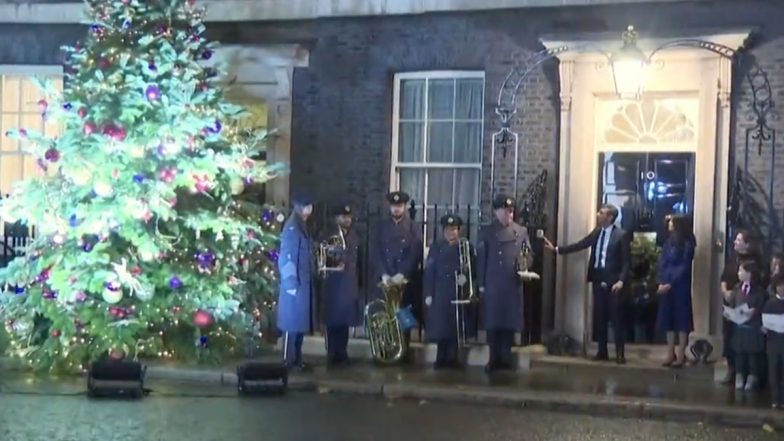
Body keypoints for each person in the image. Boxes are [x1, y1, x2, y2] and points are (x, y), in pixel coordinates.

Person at [543, 204, 631, 364]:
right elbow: (581, 244)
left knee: (617, 318)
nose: (598, 215)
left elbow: (626, 262)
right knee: (600, 317)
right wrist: (557, 249)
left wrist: (621, 281)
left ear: (610, 217)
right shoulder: (597, 232)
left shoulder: (621, 235)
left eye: (601, 213)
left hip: (613, 281)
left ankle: (620, 353)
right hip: (598, 277)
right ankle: (602, 352)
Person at [477, 194, 531, 372]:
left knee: (508, 323)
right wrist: (481, 284)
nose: (509, 215)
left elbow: (528, 253)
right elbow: (481, 259)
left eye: (511, 211)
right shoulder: (487, 232)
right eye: (506, 211)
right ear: (496, 212)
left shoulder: (521, 231)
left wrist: (525, 263)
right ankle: (494, 359)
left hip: (511, 283)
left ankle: (506, 359)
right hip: (493, 283)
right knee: (493, 323)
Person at [372, 191, 423, 357]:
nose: (396, 209)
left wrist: (402, 274)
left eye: (399, 206)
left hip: (404, 281)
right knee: (386, 317)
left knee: (404, 317)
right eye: (394, 206)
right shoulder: (380, 227)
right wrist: (384, 274)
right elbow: (375, 252)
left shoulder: (413, 227)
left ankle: (404, 350)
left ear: (405, 207)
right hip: (386, 280)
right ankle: (386, 350)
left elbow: (415, 252)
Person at [424, 214, 473, 369]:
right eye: (447, 230)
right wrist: (429, 293)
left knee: (455, 327)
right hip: (440, 290)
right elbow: (430, 271)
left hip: (457, 291)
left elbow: (471, 270)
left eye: (454, 230)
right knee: (441, 326)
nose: (451, 233)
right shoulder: (436, 247)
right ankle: (441, 358)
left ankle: (453, 357)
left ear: (459, 231)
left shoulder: (465, 247)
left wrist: (464, 281)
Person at [719, 230, 765, 384]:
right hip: (732, 300)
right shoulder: (732, 259)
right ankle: (733, 369)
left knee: (747, 343)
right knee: (729, 337)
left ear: (747, 243)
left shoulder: (755, 262)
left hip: (746, 305)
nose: (735, 242)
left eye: (739, 240)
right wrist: (725, 292)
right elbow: (724, 277)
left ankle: (751, 375)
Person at [319, 203, 361, 365]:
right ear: (336, 218)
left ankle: (342, 351)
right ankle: (332, 352)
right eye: (343, 217)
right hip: (334, 284)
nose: (347, 220)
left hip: (348, 284)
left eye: (348, 217)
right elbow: (322, 255)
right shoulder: (328, 234)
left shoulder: (354, 235)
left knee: (344, 321)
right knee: (333, 322)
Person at [277, 195, 314, 369]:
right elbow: (288, 256)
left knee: (299, 324)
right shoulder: (293, 227)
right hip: (294, 284)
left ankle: (297, 359)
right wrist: (290, 282)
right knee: (291, 324)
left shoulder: (301, 225)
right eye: (309, 206)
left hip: (302, 284)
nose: (311, 209)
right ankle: (288, 360)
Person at [655, 214, 696, 368]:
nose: (669, 224)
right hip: (666, 285)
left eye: (671, 222)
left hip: (680, 286)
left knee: (682, 320)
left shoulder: (687, 243)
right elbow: (662, 263)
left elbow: (684, 266)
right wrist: (661, 282)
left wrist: (670, 283)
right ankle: (670, 351)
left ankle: (681, 353)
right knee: (668, 320)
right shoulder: (668, 242)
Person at [725, 260, 767, 391]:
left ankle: (752, 377)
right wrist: (729, 313)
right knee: (739, 354)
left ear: (749, 273)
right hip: (739, 327)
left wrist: (754, 312)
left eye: (741, 271)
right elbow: (732, 304)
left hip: (752, 327)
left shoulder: (759, 291)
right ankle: (739, 376)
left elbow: (761, 306)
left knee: (752, 355)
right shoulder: (737, 288)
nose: (739, 273)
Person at [763, 275, 784, 408]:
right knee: (774, 372)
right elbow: (765, 324)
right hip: (773, 342)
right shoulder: (770, 303)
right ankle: (776, 399)